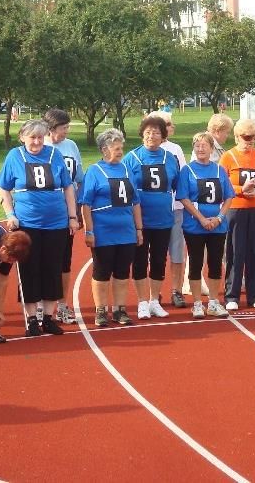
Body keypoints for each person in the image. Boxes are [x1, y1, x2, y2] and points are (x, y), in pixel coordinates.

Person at [0, 119, 78, 336]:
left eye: (40, 137)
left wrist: (72, 216)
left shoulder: (54, 155)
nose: (37, 141)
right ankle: (32, 319)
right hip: (28, 223)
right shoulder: (15, 156)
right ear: (22, 137)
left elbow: (68, 187)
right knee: (29, 270)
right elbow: (3, 188)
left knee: (52, 268)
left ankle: (49, 318)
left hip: (56, 223)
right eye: (32, 137)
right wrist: (10, 214)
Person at [80, 129, 142, 327]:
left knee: (123, 271)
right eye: (116, 148)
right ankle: (101, 310)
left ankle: (119, 309)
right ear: (104, 149)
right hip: (103, 232)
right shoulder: (94, 171)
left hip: (126, 231)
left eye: (121, 148)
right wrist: (89, 231)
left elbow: (135, 202)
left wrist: (139, 229)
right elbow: (86, 204)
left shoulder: (126, 169)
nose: (120, 151)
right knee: (102, 271)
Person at [124, 115, 180, 319]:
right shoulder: (132, 158)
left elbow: (177, 186)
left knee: (159, 260)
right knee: (139, 261)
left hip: (163, 219)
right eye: (147, 132)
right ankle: (141, 302)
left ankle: (154, 300)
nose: (151, 136)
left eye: (156, 132)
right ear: (141, 135)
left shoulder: (170, 159)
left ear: (163, 136)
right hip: (139, 221)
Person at [176, 132, 235, 318]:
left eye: (204, 145)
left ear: (211, 148)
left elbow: (228, 197)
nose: (200, 149)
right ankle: (197, 303)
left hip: (217, 226)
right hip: (194, 226)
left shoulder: (219, 170)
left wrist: (218, 218)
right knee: (195, 263)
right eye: (197, 145)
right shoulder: (187, 171)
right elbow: (184, 198)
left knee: (216, 263)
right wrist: (201, 218)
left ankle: (213, 302)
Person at [220, 119, 255, 311]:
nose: (250, 141)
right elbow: (221, 184)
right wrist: (241, 189)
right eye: (246, 137)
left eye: (254, 137)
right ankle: (232, 295)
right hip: (236, 210)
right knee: (235, 251)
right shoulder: (228, 157)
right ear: (237, 137)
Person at [43, 108, 84, 325]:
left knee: (64, 262)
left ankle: (62, 305)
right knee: (43, 260)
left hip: (66, 212)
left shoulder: (71, 146)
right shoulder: (40, 147)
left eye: (68, 127)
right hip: (44, 213)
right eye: (63, 128)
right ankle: (41, 305)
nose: (66, 131)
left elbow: (79, 178)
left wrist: (77, 211)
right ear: (50, 129)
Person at [149, 110, 187, 308]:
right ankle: (153, 294)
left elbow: (182, 178)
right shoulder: (142, 152)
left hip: (176, 209)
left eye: (170, 124)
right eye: (167, 124)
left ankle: (176, 290)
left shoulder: (175, 150)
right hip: (152, 212)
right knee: (154, 254)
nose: (171, 127)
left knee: (177, 252)